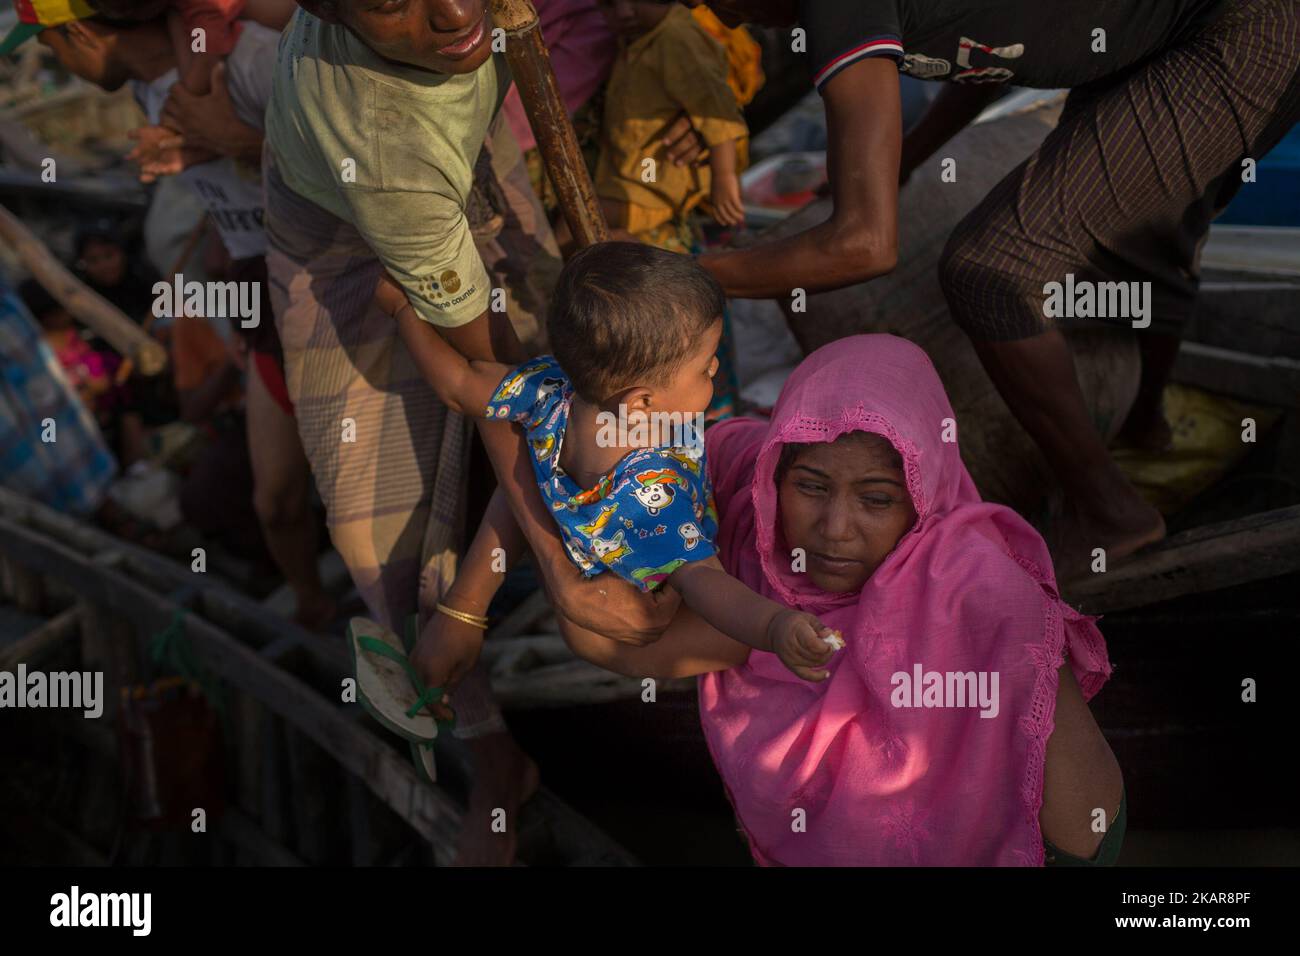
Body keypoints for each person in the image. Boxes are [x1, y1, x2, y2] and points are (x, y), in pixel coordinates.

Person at [656, 0, 1300, 581]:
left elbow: (864, 244)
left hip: (1245, 27)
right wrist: (910, 153)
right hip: (1163, 34)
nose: (728, 19)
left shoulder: (835, 8)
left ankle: (1111, 512)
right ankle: (1144, 426)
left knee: (989, 271)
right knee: (1149, 235)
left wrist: (684, 275)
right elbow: (982, 48)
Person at [528, 335, 1126, 865]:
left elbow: (1080, 838)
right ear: (774, 476)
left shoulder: (976, 586)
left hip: (1054, 845)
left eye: (877, 499)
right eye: (810, 487)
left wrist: (567, 580)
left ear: (924, 493)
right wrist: (560, 568)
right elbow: (553, 444)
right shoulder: (747, 519)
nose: (836, 529)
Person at [262, 0, 580, 864]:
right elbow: (505, 396)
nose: (451, 10)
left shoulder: (469, 22)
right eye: (394, 2)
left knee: (586, 382)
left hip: (471, 149)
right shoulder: (384, 148)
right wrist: (476, 599)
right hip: (342, 254)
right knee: (382, 535)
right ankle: (493, 761)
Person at [372, 242, 841, 700]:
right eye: (704, 369)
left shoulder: (549, 388)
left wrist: (402, 314)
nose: (715, 368)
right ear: (641, 403)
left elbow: (458, 384)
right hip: (663, 606)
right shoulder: (649, 499)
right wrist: (775, 627)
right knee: (744, 643)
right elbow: (707, 584)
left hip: (611, 557)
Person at [593, 0, 748, 244]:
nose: (624, 12)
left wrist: (724, 176)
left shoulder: (678, 39)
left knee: (575, 232)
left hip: (649, 187)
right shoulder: (636, 37)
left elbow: (715, 110)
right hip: (627, 178)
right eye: (609, 4)